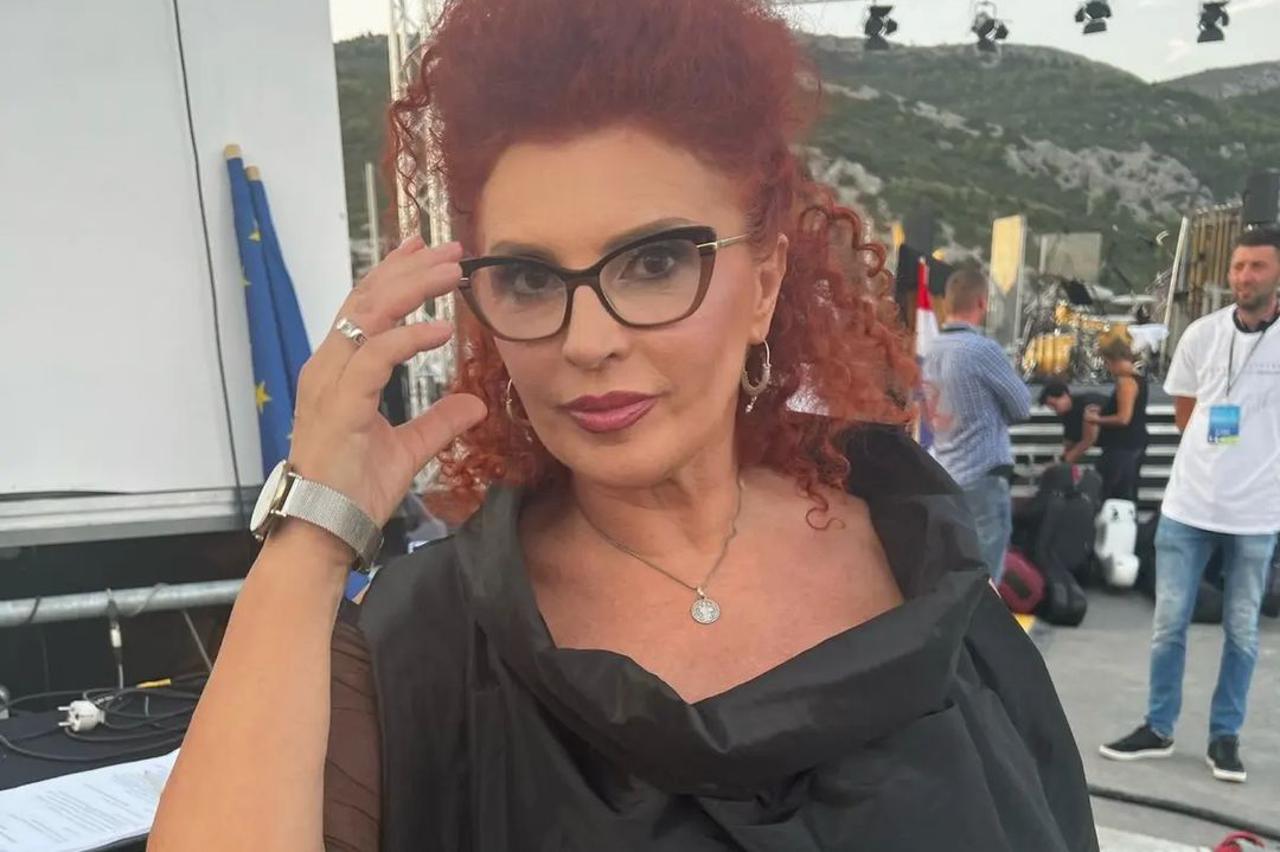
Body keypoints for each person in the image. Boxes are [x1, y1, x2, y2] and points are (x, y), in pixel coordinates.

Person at [150, 1, 1097, 849]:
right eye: (529, 279)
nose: (588, 340)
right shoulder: (423, 652)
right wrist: (314, 529)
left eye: (653, 263)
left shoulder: (918, 557)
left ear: (764, 284)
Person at [1101, 227, 1280, 784]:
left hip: (1256, 514)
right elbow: (1185, 415)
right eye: (1239, 266)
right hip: (1188, 506)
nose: (1244, 276)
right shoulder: (1202, 334)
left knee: (1242, 632)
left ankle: (1225, 737)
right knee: (1167, 626)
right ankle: (1158, 727)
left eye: (1257, 266)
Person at [922, 267, 1032, 584]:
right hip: (982, 476)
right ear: (982, 302)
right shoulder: (983, 350)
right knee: (985, 577)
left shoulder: (929, 350)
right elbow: (1022, 406)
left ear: (947, 302)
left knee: (949, 573)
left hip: (943, 472)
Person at [1084, 335, 1149, 502]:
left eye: (1107, 363)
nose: (1108, 368)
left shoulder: (1125, 382)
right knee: (1127, 491)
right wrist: (1104, 411)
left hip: (1122, 446)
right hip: (1134, 443)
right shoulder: (1139, 379)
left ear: (1115, 360)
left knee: (1114, 493)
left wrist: (1095, 419)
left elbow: (1123, 418)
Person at [1039, 381, 1105, 465]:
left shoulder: (1088, 404)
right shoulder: (1066, 415)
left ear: (1064, 395)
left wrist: (1063, 463)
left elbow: (1089, 439)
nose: (1053, 409)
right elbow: (1069, 442)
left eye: (1054, 404)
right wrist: (1059, 462)